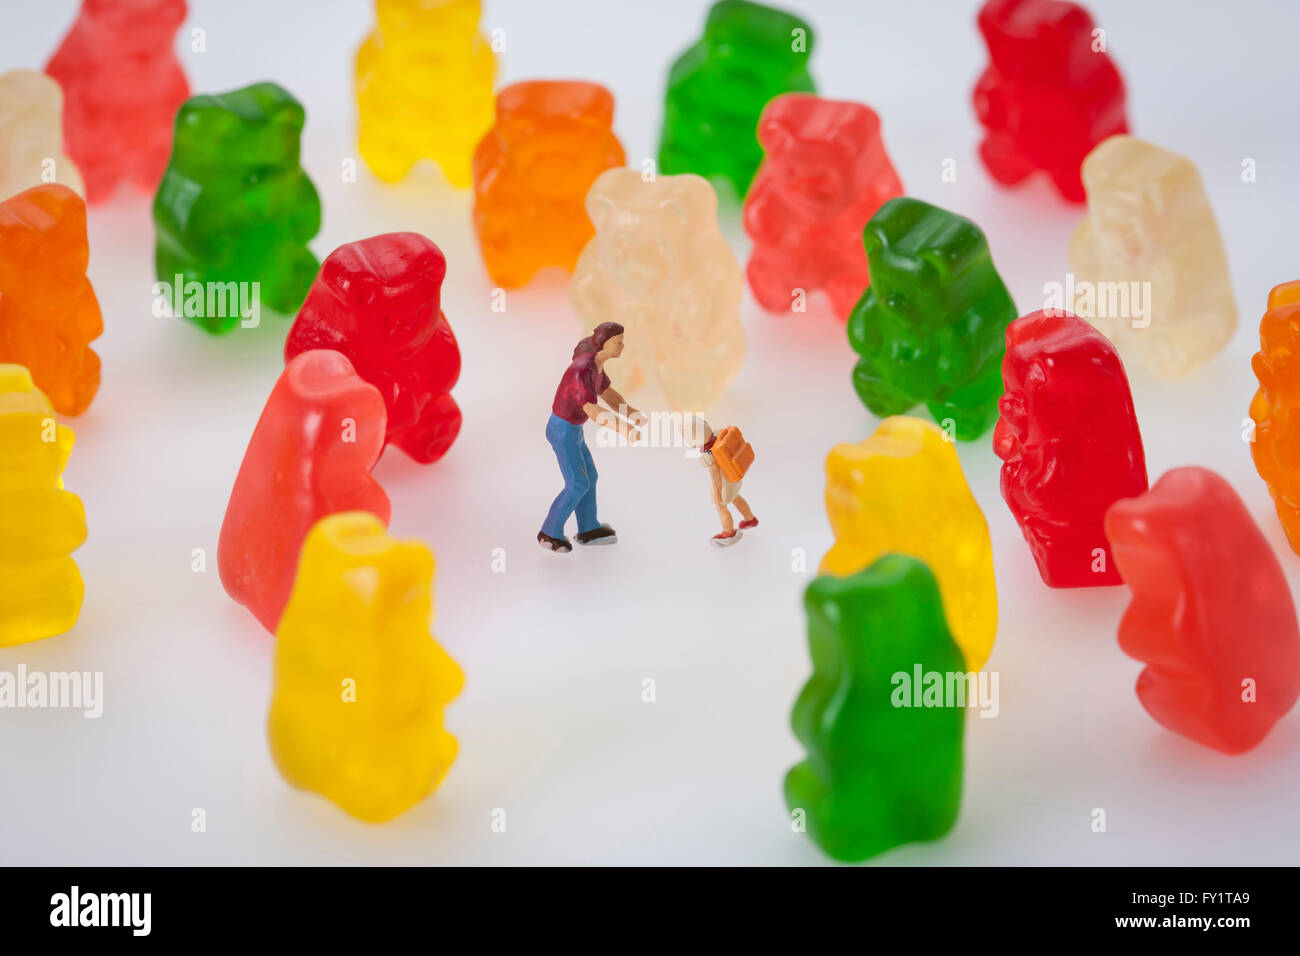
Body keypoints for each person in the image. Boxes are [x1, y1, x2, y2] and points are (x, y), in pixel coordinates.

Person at [539, 322, 646, 553]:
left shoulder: (596, 366)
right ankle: (549, 532)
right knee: (577, 483)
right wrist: (625, 429)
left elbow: (608, 394)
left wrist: (631, 413)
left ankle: (588, 528)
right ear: (604, 344)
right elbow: (594, 412)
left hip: (573, 430)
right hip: (562, 430)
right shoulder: (582, 370)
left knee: (590, 477)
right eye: (618, 342)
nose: (622, 346)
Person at [685, 417, 759, 546]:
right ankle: (750, 519)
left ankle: (728, 532)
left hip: (724, 483)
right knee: (735, 497)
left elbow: (715, 476)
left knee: (721, 506)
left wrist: (717, 494)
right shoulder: (718, 434)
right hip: (734, 476)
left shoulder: (708, 455)